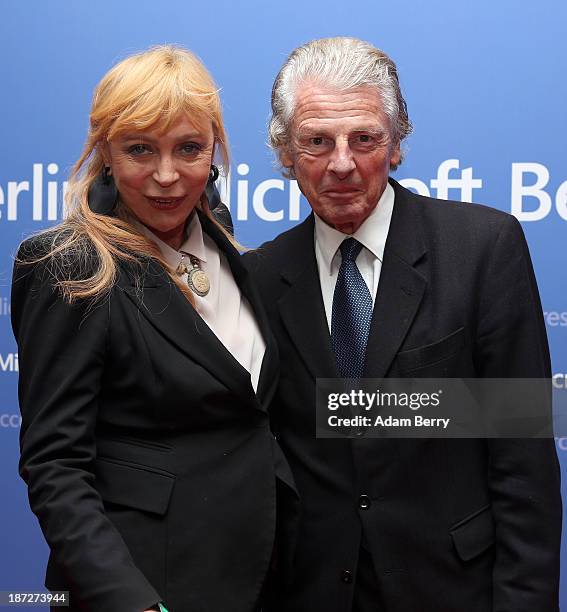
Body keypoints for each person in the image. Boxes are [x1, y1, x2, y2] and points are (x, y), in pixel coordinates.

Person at [246, 37, 561, 611]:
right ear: (285, 153)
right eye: (316, 141)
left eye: (364, 139)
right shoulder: (259, 279)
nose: (342, 162)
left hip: (452, 588)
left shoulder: (483, 250)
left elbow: (524, 468)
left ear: (396, 146)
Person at [11, 45, 295, 612]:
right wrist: (133, 604)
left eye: (188, 149)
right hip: (149, 585)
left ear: (213, 149)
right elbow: (56, 465)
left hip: (260, 573)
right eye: (140, 149)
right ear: (105, 154)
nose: (166, 177)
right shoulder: (69, 264)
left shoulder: (222, 238)